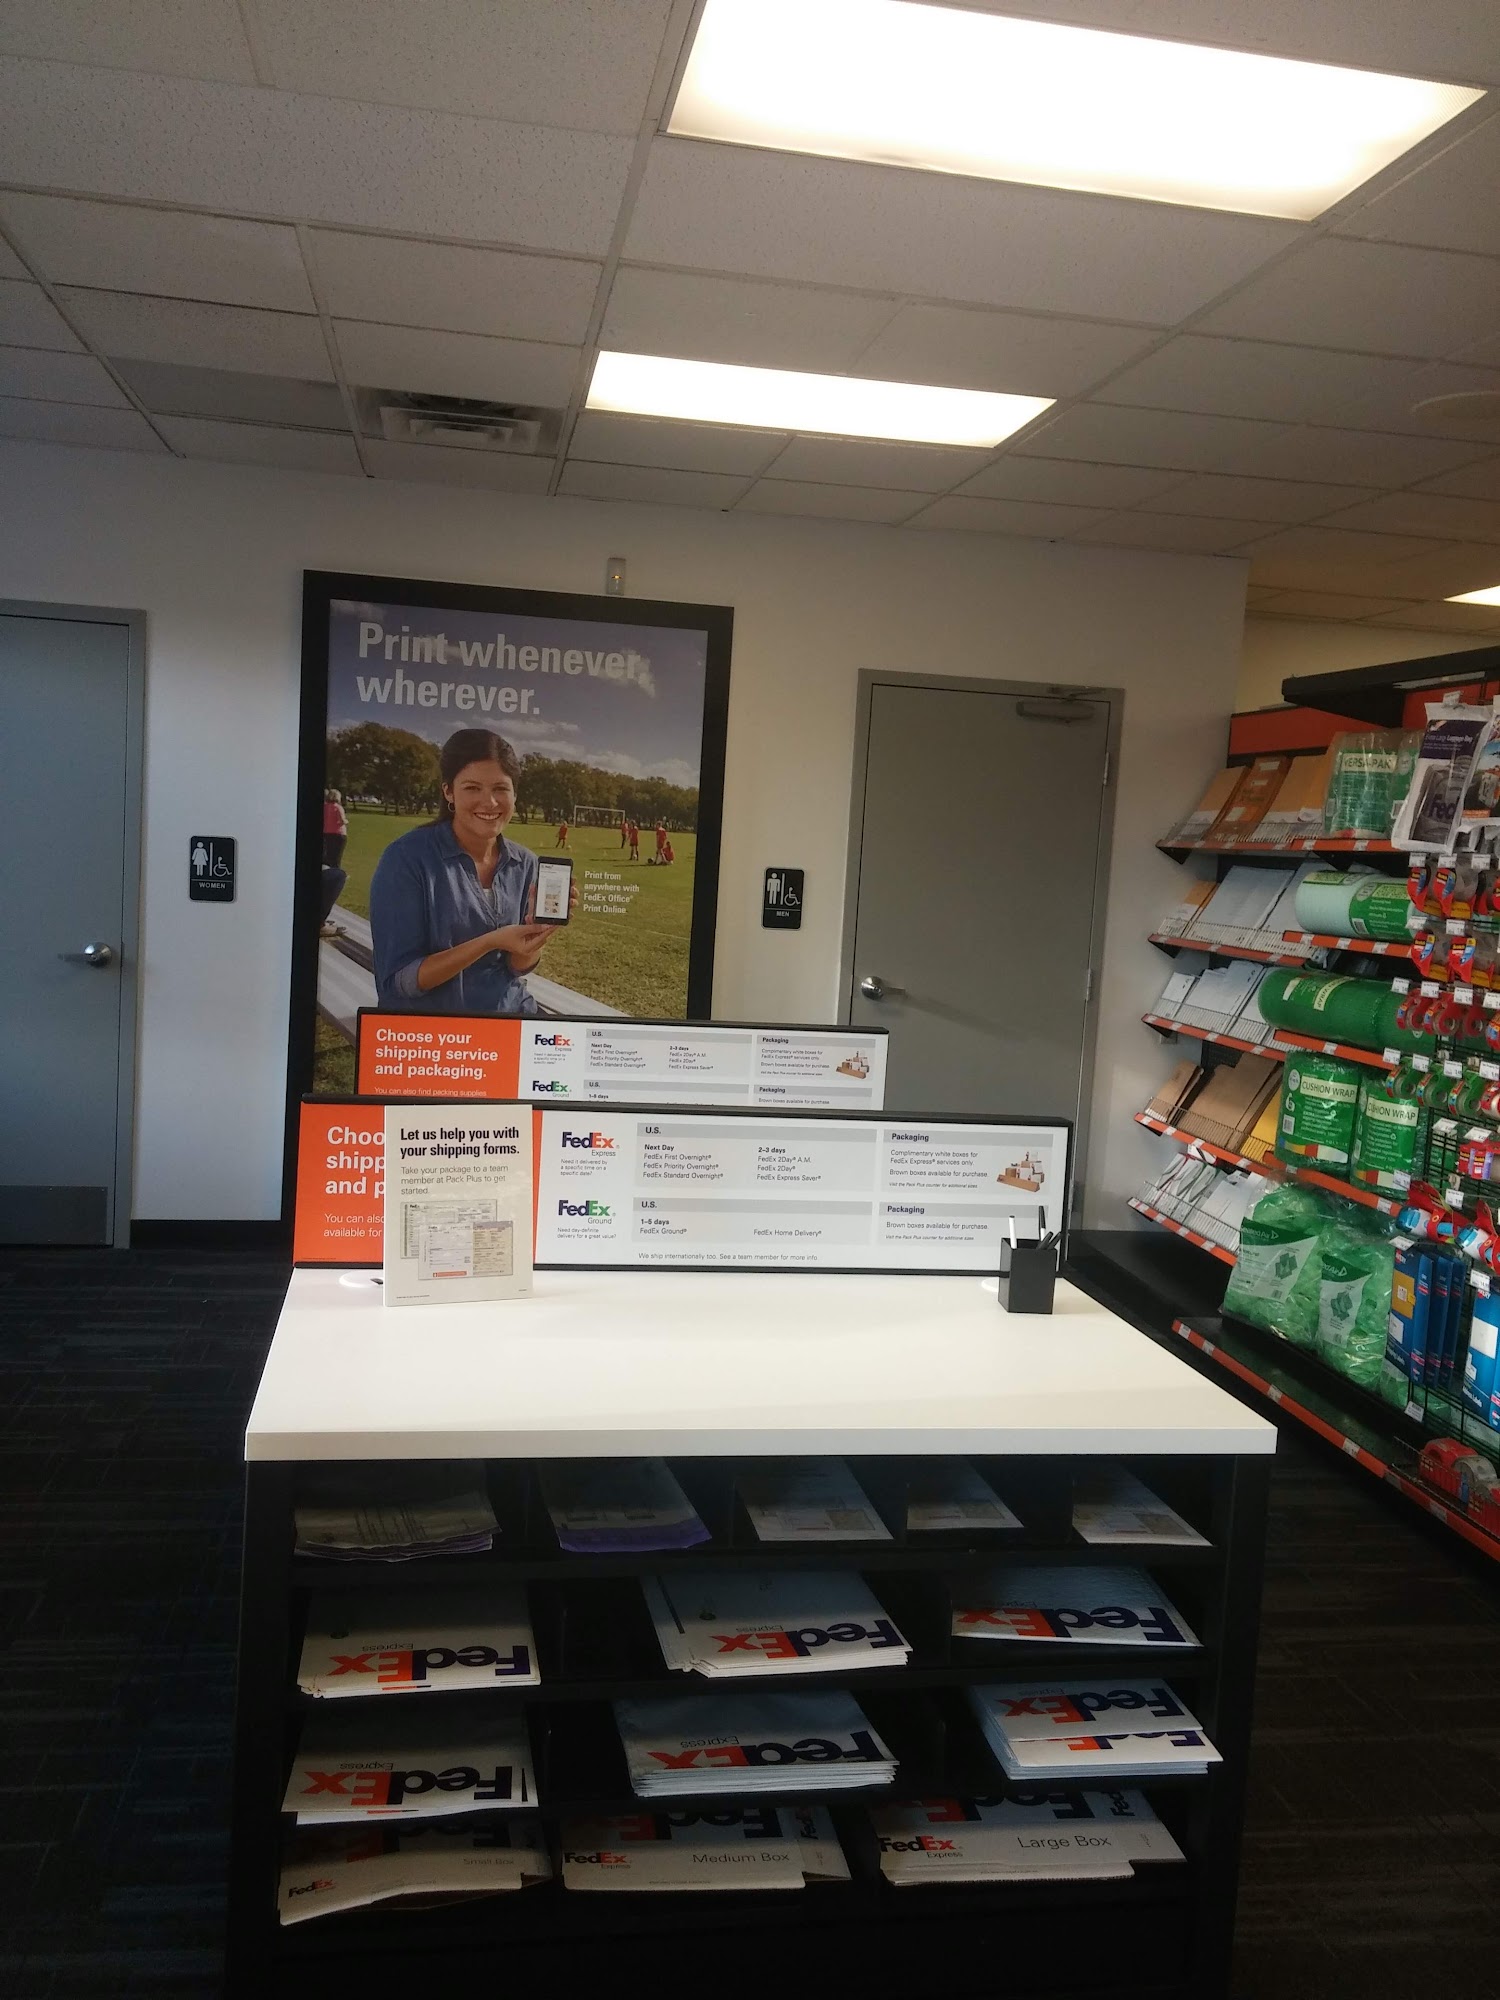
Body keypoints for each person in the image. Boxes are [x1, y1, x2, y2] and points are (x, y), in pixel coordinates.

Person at [369, 728, 573, 1016]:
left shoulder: (525, 863)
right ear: (448, 792)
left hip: (511, 1014)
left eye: (500, 788)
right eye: (473, 788)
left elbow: (516, 968)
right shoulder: (406, 858)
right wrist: (490, 941)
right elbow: (401, 982)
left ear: (515, 794)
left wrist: (534, 937)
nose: (489, 802)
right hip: (434, 1027)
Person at [323, 789, 347, 870]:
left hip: (327, 833)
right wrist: (346, 821)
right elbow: (342, 821)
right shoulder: (338, 807)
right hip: (338, 833)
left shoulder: (325, 807)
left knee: (328, 855)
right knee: (336, 857)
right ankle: (336, 872)